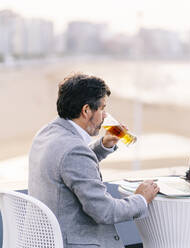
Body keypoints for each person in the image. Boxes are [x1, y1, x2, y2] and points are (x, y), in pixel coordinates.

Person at [28, 73, 159, 248]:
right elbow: (105, 212)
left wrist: (103, 145)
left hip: (48, 239)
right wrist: (141, 199)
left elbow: (67, 166)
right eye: (102, 108)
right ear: (86, 110)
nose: (105, 116)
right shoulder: (74, 150)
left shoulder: (47, 133)